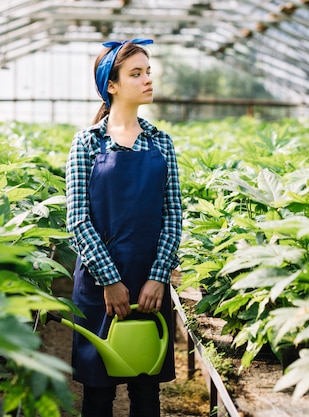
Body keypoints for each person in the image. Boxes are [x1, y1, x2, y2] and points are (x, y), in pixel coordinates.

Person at [65, 38, 183, 417]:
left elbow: (173, 216)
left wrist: (158, 276)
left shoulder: (162, 143)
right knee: (97, 395)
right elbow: (78, 221)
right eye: (136, 73)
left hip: (149, 278)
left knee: (146, 393)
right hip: (100, 286)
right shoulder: (86, 143)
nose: (147, 79)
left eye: (148, 72)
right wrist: (110, 281)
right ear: (111, 85)